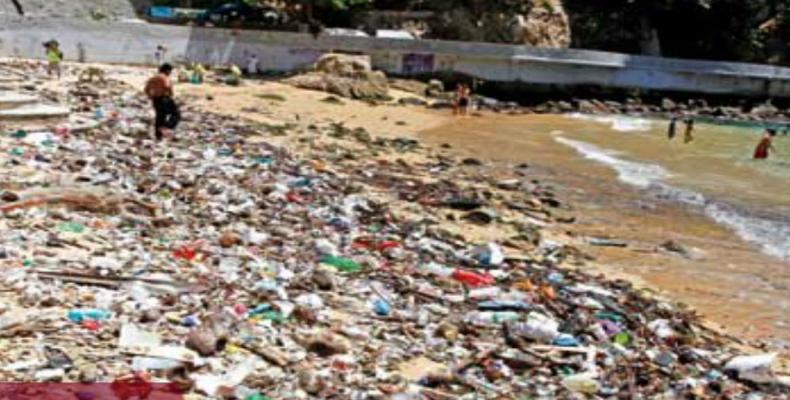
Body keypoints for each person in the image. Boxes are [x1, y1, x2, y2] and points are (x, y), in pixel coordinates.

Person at [144, 63, 181, 141]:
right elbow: (166, 86)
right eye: (170, 71)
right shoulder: (165, 77)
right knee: (176, 114)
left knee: (160, 117)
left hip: (156, 99)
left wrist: (151, 96)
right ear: (167, 70)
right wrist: (170, 94)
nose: (170, 73)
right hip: (164, 98)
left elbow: (146, 89)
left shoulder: (153, 78)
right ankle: (166, 126)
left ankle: (158, 136)